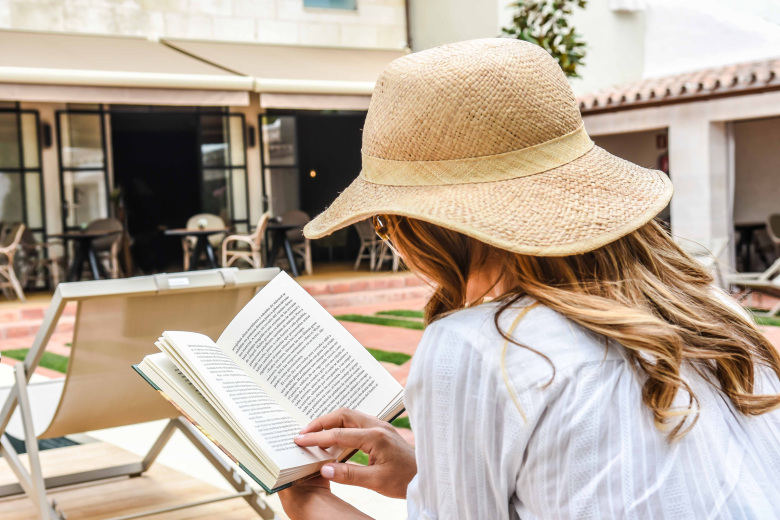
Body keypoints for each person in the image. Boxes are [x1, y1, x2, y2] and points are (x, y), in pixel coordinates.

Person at [279, 39, 780, 519]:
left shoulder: (482, 346)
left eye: (386, 223)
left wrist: (309, 505)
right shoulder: (713, 314)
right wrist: (424, 473)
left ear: (428, 230)